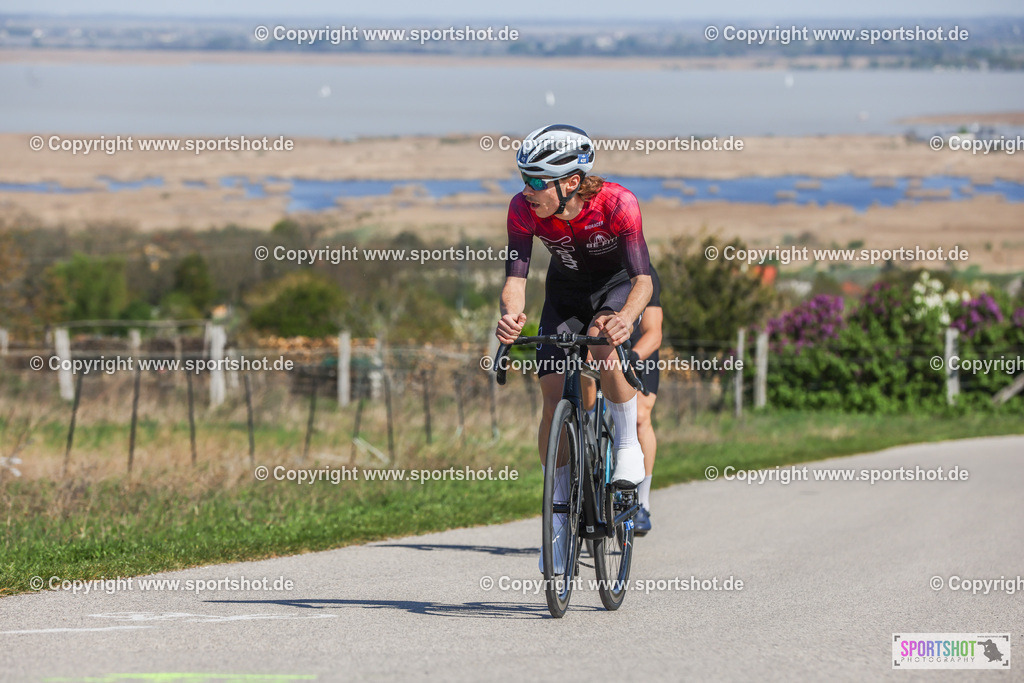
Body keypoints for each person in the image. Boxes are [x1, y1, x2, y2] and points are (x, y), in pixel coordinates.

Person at [494, 124, 652, 572]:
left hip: (615, 288)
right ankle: (559, 517)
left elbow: (643, 280)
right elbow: (515, 280)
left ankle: (627, 445)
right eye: (523, 178)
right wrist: (510, 316)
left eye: (537, 181)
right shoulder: (522, 209)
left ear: (571, 182)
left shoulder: (618, 204)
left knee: (602, 339)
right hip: (564, 295)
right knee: (551, 397)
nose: (527, 190)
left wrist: (625, 317)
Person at [582, 265, 661, 536]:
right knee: (584, 389)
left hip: (638, 350)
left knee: (640, 417)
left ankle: (643, 501)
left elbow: (654, 332)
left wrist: (632, 360)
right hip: (601, 343)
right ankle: (588, 449)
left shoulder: (644, 272)